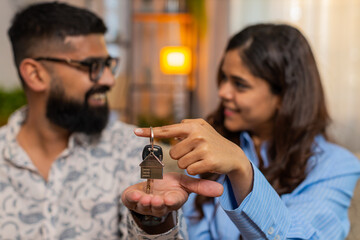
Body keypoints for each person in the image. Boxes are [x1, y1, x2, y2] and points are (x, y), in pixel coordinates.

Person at [1, 2, 223, 239]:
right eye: (92, 66)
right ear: (36, 75)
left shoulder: (132, 150)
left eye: (108, 65)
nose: (109, 80)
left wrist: (154, 221)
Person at [126, 24, 360, 239]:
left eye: (240, 84)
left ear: (284, 95)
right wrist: (157, 219)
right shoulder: (212, 151)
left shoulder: (336, 166)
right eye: (223, 78)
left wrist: (242, 169)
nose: (224, 92)